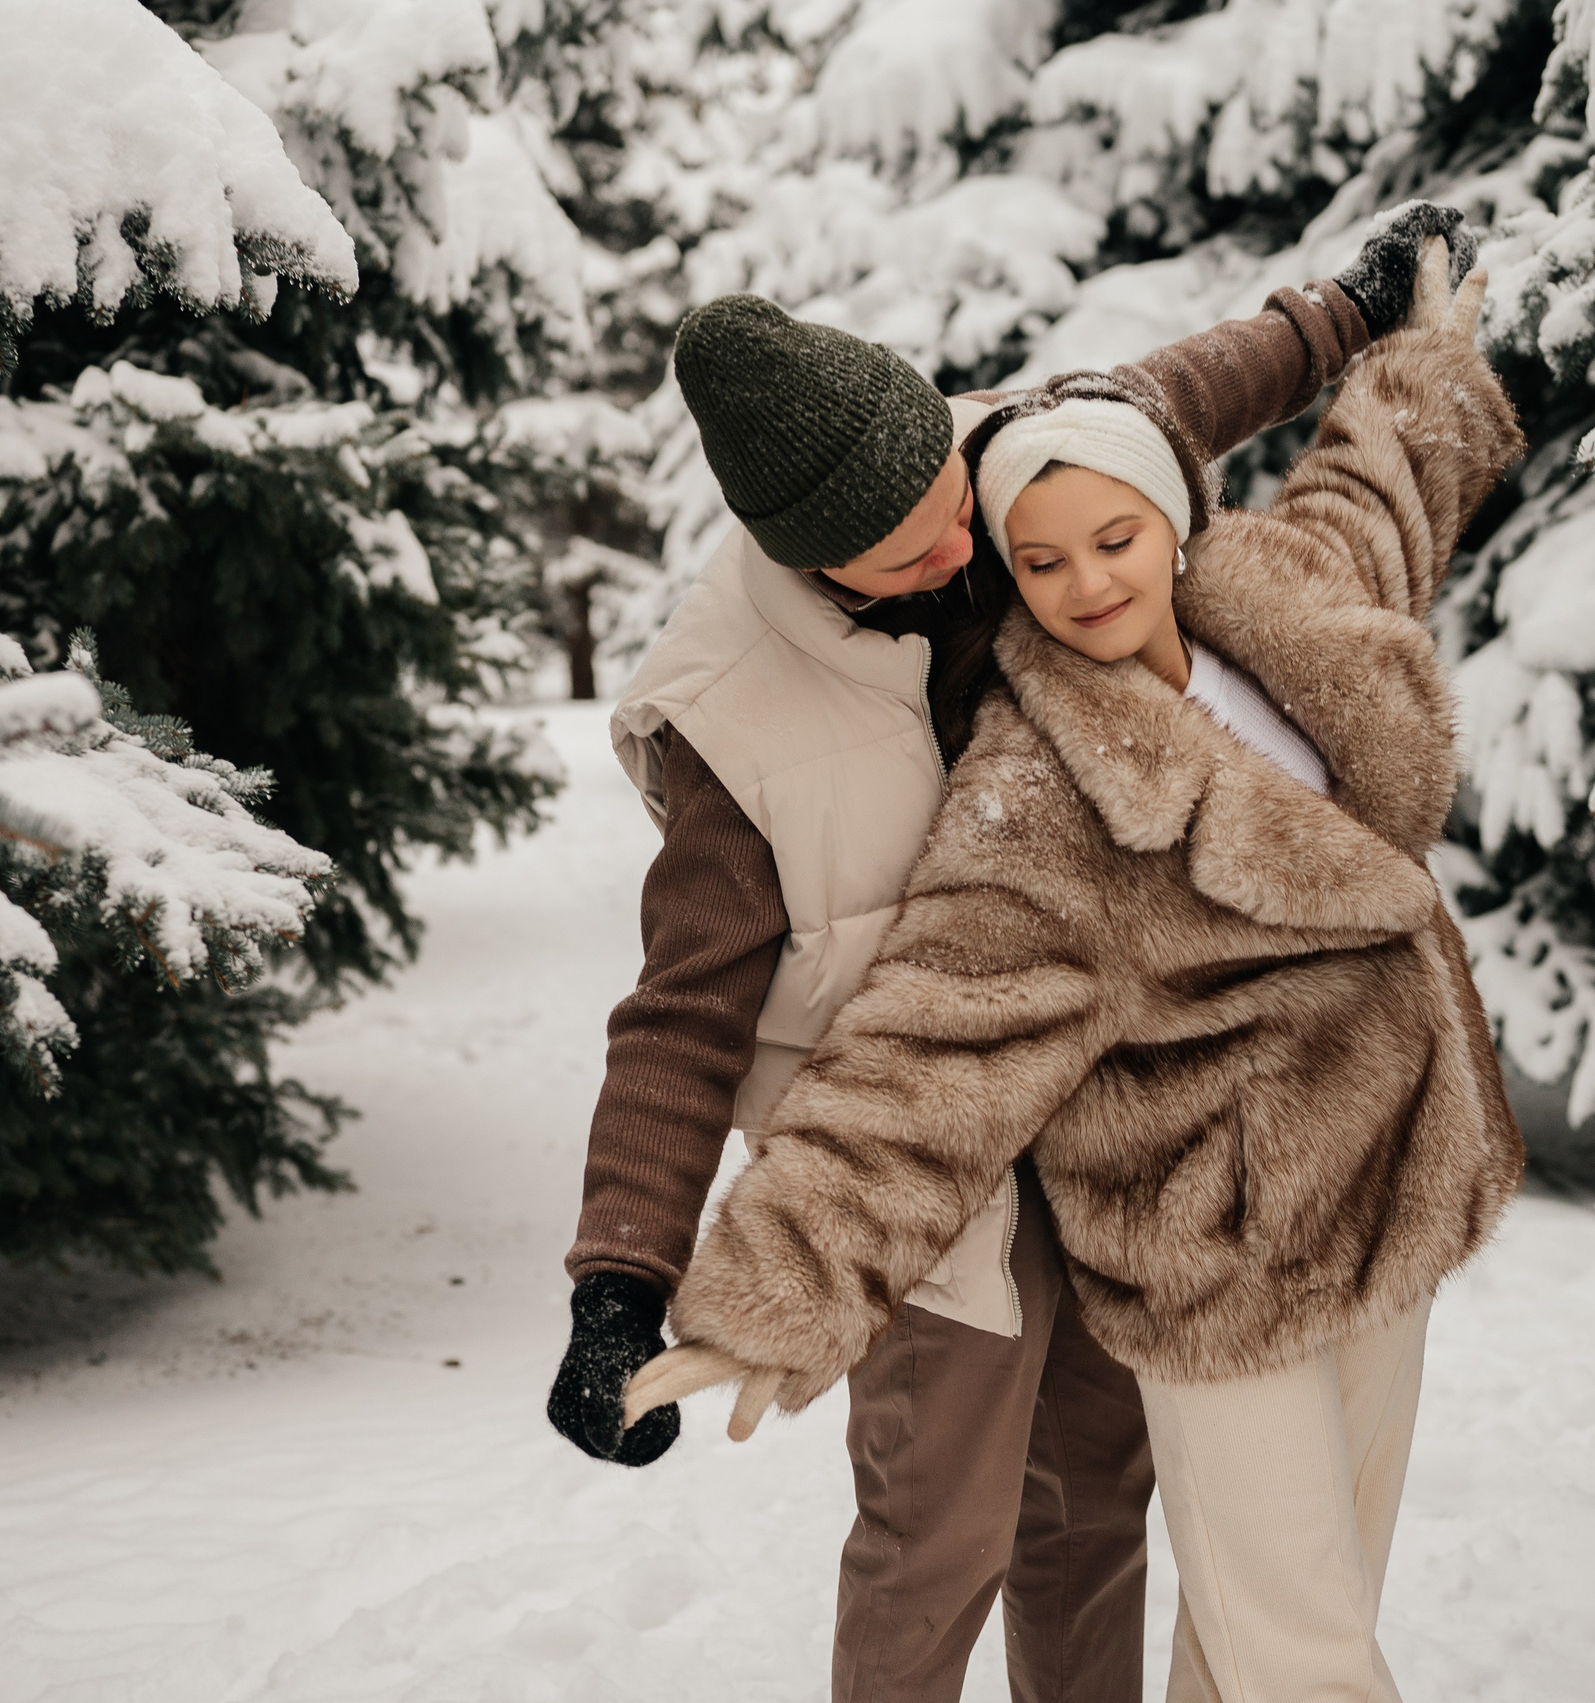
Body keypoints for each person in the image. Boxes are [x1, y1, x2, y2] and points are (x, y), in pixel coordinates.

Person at [547, 201, 1481, 1702]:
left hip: (1114, 1123)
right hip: (911, 1157)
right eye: (923, 541)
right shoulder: (732, 717)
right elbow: (679, 1015)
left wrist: (1354, 316)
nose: (970, 539)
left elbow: (1178, 398)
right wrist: (622, 1280)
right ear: (822, 563)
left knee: (1090, 1510)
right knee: (939, 1531)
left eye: (955, 493)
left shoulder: (995, 477)